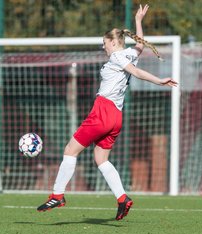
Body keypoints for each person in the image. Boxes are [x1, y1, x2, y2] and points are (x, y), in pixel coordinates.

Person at [37, 4, 177, 220]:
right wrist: (139, 22)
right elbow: (139, 47)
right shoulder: (130, 54)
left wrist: (159, 81)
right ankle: (122, 199)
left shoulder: (117, 57)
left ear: (113, 42)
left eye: (105, 44)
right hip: (116, 116)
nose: (104, 48)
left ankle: (57, 195)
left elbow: (136, 72)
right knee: (101, 159)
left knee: (70, 151)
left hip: (102, 111)